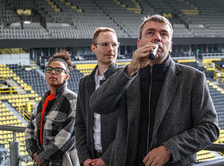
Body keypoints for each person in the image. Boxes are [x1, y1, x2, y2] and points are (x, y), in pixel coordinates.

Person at [90, 15, 219, 166]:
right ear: (139, 43)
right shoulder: (125, 75)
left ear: (170, 45)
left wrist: (170, 149)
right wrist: (131, 69)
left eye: (163, 34)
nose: (157, 37)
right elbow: (97, 105)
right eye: (150, 32)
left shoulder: (193, 78)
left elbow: (209, 128)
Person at [75, 27, 120, 166]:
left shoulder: (125, 79)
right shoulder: (85, 83)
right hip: (90, 159)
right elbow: (80, 124)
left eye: (114, 44)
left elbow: (127, 128)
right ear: (93, 48)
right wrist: (84, 158)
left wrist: (106, 159)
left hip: (117, 159)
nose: (111, 49)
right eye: (105, 44)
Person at [25, 51, 79, 166]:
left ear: (66, 76)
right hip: (40, 162)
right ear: (45, 74)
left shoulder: (72, 100)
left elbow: (68, 136)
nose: (53, 72)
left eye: (58, 70)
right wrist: (34, 153)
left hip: (63, 162)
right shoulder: (42, 101)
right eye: (49, 69)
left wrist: (43, 156)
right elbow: (29, 129)